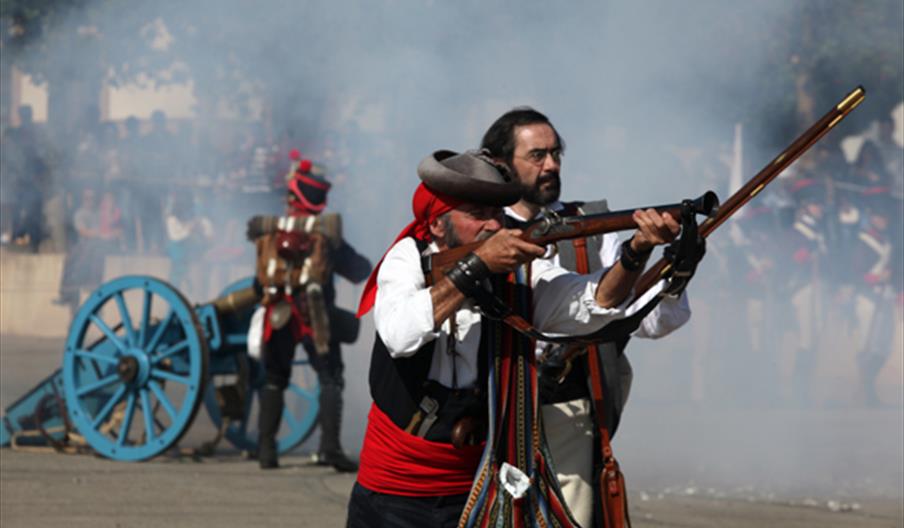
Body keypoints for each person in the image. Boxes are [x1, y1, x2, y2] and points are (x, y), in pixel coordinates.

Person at [347, 149, 680, 527]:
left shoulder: (521, 272)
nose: (492, 225)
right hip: (394, 485)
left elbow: (592, 303)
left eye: (496, 214)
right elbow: (399, 334)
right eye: (477, 214)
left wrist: (636, 253)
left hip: (479, 481)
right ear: (438, 225)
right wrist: (478, 266)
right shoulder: (409, 258)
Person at [480, 107, 696, 527]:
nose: (552, 165)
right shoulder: (475, 229)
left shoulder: (591, 226)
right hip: (489, 413)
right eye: (537, 155)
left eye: (555, 153)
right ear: (501, 165)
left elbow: (650, 320)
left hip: (566, 411)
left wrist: (676, 268)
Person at [247, 160, 371, 471]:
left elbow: (256, 283)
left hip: (277, 314)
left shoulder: (269, 234)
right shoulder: (326, 235)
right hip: (315, 316)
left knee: (275, 379)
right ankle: (330, 449)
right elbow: (359, 270)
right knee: (330, 379)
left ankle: (266, 451)